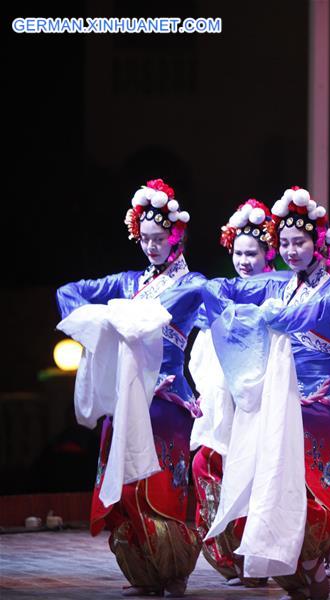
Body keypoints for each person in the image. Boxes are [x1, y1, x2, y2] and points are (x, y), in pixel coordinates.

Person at [202, 186, 330, 600]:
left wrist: (281, 318)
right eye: (285, 244)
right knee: (277, 483)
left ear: (319, 244)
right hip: (284, 400)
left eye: (300, 242)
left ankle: (315, 552)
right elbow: (214, 290)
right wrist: (246, 317)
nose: (292, 251)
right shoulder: (273, 286)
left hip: (326, 402)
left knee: (323, 489)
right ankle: (300, 560)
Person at [56, 179, 204, 597]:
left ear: (177, 237)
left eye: (159, 239)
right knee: (125, 488)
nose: (152, 247)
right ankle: (142, 568)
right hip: (126, 399)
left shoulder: (190, 285)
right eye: (145, 239)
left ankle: (173, 567)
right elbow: (69, 292)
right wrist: (94, 326)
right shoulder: (128, 281)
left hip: (166, 401)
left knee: (163, 488)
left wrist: (110, 317)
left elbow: (148, 318)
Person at [189, 199, 275, 588]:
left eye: (251, 252)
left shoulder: (279, 287)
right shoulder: (225, 290)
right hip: (227, 396)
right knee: (210, 465)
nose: (243, 259)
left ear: (267, 253)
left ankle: (261, 559)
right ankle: (233, 558)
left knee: (257, 474)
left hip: (263, 395)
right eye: (238, 252)